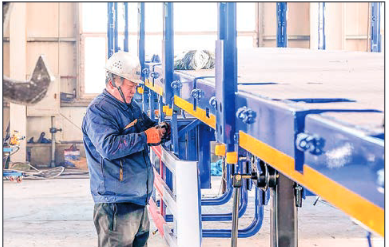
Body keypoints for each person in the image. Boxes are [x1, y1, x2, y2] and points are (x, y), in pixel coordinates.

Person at [82, 50, 168, 247]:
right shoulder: (99, 110)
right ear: (113, 82)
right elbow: (108, 147)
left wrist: (163, 130)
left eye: (136, 86)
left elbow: (148, 129)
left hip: (137, 199)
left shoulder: (130, 107)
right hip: (116, 204)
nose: (134, 91)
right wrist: (146, 137)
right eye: (130, 86)